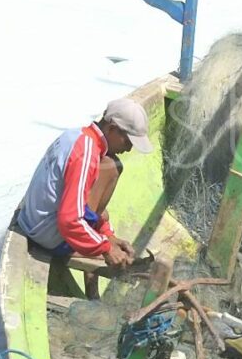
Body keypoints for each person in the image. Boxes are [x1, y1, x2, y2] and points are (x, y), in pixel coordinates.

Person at [15, 97, 153, 268]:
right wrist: (106, 248)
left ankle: (94, 239)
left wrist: (107, 235)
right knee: (113, 167)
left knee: (103, 216)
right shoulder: (86, 154)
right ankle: (87, 251)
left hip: (31, 220)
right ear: (112, 128)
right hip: (46, 234)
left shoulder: (76, 135)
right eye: (128, 141)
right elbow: (69, 221)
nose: (129, 149)